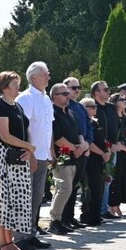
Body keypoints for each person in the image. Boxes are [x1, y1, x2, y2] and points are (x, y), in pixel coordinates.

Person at [0, 71, 34, 250]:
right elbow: (5, 136)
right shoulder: (0, 108)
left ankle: (11, 241)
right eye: (15, 84)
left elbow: (24, 130)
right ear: (5, 87)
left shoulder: (17, 106)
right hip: (4, 156)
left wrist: (28, 150)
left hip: (19, 157)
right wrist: (28, 146)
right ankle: (3, 242)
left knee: (16, 199)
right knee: (4, 199)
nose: (18, 87)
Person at [14, 61, 53, 250]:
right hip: (29, 156)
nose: (48, 77)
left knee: (36, 197)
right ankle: (19, 236)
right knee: (24, 197)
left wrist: (51, 152)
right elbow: (22, 129)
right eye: (45, 74)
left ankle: (31, 234)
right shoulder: (26, 98)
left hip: (43, 155)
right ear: (33, 78)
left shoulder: (46, 98)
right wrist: (29, 153)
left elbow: (49, 128)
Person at [48, 83, 83, 234]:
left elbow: (78, 132)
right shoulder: (52, 113)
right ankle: (54, 221)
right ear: (54, 97)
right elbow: (57, 138)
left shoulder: (70, 112)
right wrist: (74, 148)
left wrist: (80, 146)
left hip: (73, 157)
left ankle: (60, 220)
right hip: (61, 157)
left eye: (68, 93)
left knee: (66, 189)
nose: (68, 96)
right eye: (64, 94)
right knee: (64, 188)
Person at [62, 77, 91, 230]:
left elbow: (88, 126)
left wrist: (87, 144)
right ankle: (63, 218)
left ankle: (70, 217)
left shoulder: (80, 107)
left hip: (82, 150)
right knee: (66, 186)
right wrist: (77, 147)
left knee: (74, 187)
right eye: (73, 88)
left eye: (78, 87)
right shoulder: (64, 107)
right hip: (70, 150)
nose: (77, 90)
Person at [79, 89, 110, 227]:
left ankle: (97, 215)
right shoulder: (86, 123)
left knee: (99, 188)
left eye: (95, 106)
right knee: (91, 188)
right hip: (91, 159)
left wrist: (107, 151)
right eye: (92, 106)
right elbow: (89, 143)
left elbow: (103, 139)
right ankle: (89, 216)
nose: (95, 108)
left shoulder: (95, 122)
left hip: (100, 159)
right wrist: (102, 153)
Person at [96, 82, 121, 220]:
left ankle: (103, 209)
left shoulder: (111, 107)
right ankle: (98, 210)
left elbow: (117, 126)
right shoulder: (93, 107)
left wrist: (116, 143)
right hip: (99, 150)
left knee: (108, 180)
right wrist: (108, 145)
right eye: (105, 89)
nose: (108, 91)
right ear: (96, 93)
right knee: (98, 181)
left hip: (112, 150)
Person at [107, 93, 126, 217]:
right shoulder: (112, 118)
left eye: (125, 99)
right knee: (115, 179)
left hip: (125, 152)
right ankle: (112, 206)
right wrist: (124, 148)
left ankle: (118, 205)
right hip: (117, 151)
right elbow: (113, 137)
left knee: (124, 178)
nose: (124, 101)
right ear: (115, 102)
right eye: (121, 99)